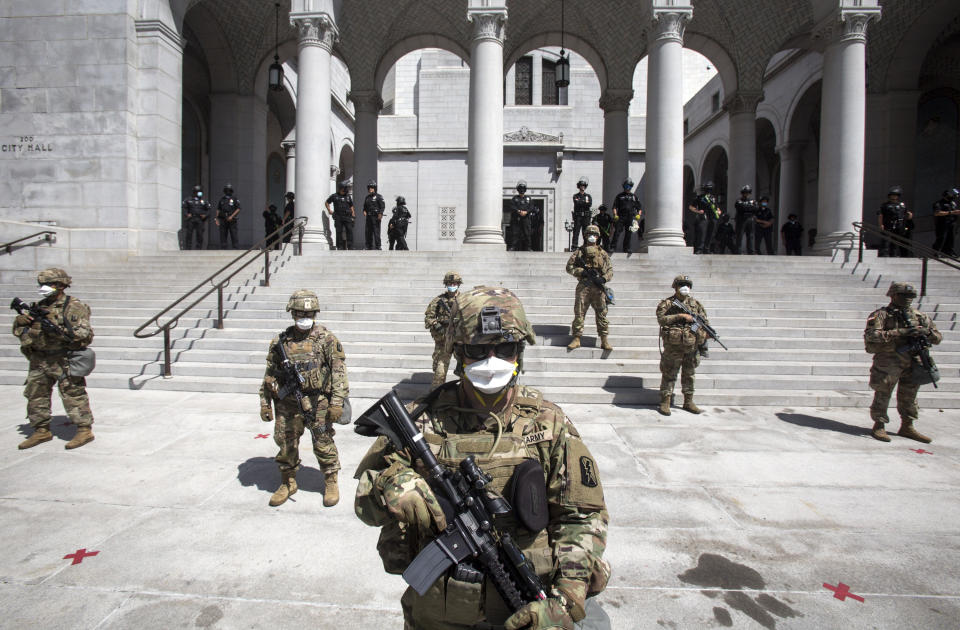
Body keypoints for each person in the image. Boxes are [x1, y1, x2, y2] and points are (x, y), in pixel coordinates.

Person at [354, 285, 610, 630]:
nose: (492, 361)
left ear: (520, 352)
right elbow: (366, 501)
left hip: (526, 607)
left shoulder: (548, 422)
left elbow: (582, 517)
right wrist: (393, 484)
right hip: (439, 610)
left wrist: (564, 602)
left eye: (504, 348)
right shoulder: (422, 420)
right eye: (477, 349)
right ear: (459, 353)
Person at [259, 290, 349, 507]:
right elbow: (269, 375)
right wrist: (265, 403)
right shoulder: (280, 342)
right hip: (287, 404)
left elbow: (339, 372)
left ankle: (330, 480)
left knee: (323, 441)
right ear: (293, 314)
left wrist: (337, 402)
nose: (304, 316)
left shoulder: (327, 339)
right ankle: (287, 481)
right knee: (285, 443)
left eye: (309, 313)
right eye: (300, 313)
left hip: (317, 402)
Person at [13, 268, 96, 450]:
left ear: (60, 286)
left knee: (73, 394)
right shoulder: (39, 307)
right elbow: (22, 333)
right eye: (41, 284)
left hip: (63, 358)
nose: (43, 288)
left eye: (47, 284)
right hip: (40, 359)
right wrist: (21, 323)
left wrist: (58, 329)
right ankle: (41, 430)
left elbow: (85, 334)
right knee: (36, 395)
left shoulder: (74, 306)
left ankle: (84, 429)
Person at [865, 282, 942, 443]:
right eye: (903, 295)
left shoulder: (919, 316)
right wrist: (901, 332)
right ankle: (879, 424)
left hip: (914, 361)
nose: (908, 299)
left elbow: (937, 337)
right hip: (889, 360)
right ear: (893, 295)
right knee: (883, 392)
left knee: (909, 395)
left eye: (911, 296)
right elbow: (872, 335)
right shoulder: (881, 315)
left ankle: (908, 425)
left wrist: (925, 332)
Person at [656, 275, 710, 416]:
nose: (685, 287)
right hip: (673, 346)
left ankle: (688, 401)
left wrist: (706, 333)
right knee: (669, 374)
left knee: (689, 375)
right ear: (675, 286)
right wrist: (680, 316)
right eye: (681, 284)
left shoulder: (696, 304)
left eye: (687, 285)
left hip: (691, 346)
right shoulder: (667, 303)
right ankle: (665, 402)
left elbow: (704, 321)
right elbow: (662, 319)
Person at [566, 225, 613, 352]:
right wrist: (582, 272)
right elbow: (569, 267)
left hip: (598, 288)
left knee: (602, 314)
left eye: (595, 235)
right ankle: (576, 338)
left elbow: (609, 270)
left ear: (598, 237)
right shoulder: (579, 252)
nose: (592, 237)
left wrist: (603, 279)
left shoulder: (603, 253)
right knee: (579, 313)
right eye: (589, 234)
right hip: (584, 286)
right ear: (585, 236)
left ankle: (604, 339)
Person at [424, 271, 461, 388]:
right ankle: (436, 394)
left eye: (454, 283)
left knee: (466, 367)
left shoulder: (464, 300)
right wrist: (438, 327)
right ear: (446, 284)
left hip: (460, 339)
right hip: (443, 340)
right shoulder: (438, 301)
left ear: (459, 284)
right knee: (440, 369)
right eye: (450, 283)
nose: (452, 285)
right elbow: (429, 317)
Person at [877, 186, 912, 258]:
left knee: (896, 240)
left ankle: (894, 254)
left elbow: (907, 214)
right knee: (886, 240)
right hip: (888, 224)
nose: (894, 197)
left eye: (895, 195)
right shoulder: (885, 205)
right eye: (892, 195)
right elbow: (880, 215)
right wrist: (881, 224)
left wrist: (909, 216)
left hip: (899, 225)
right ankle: (884, 254)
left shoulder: (902, 205)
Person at [687, 182, 720, 254]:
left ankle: (707, 249)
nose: (708, 191)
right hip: (703, 216)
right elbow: (691, 207)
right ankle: (700, 248)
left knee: (710, 233)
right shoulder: (700, 197)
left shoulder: (713, 198)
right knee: (702, 233)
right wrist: (698, 211)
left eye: (710, 189)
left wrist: (718, 211)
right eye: (707, 189)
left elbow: (716, 207)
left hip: (712, 217)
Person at [611, 178, 642, 254]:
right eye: (626, 186)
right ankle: (612, 247)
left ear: (631, 187)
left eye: (629, 186)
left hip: (630, 217)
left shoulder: (634, 197)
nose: (628, 187)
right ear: (624, 186)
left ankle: (627, 248)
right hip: (621, 216)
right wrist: (615, 214)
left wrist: (639, 215)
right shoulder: (619, 196)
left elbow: (639, 208)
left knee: (629, 233)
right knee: (617, 232)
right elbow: (614, 207)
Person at [326, 182, 356, 250]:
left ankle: (350, 246)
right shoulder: (334, 196)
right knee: (339, 231)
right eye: (344, 188)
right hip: (338, 216)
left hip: (347, 216)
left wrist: (353, 214)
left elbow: (351, 206)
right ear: (340, 188)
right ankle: (340, 246)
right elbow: (327, 202)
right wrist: (329, 210)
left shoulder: (348, 196)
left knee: (349, 230)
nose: (345, 190)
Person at [182, 184, 211, 250]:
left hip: (200, 219)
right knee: (189, 234)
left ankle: (198, 248)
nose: (200, 193)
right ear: (195, 192)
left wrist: (205, 215)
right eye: (198, 191)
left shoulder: (204, 201)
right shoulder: (188, 200)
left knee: (200, 234)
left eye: (200, 191)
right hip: (191, 219)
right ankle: (188, 248)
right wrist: (186, 214)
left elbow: (209, 210)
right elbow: (184, 208)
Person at [932, 188, 959, 256]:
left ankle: (949, 252)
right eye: (953, 196)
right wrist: (952, 212)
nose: (953, 198)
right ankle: (937, 252)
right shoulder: (939, 203)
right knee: (941, 238)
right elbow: (937, 213)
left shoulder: (953, 204)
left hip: (951, 223)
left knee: (951, 238)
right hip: (942, 224)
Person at [511, 180, 536, 251]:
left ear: (525, 190)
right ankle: (513, 246)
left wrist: (526, 212)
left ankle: (528, 247)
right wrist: (518, 211)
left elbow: (531, 207)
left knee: (527, 233)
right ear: (518, 190)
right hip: (517, 219)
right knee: (515, 233)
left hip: (526, 219)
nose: (521, 190)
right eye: (520, 189)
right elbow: (512, 206)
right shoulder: (515, 198)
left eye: (523, 189)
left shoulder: (528, 198)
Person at [215, 183, 241, 249]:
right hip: (223, 219)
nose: (228, 192)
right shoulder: (222, 199)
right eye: (226, 190)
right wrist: (217, 218)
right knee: (223, 234)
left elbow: (238, 209)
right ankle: (223, 248)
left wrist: (231, 216)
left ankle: (235, 248)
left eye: (229, 190)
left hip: (232, 219)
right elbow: (218, 209)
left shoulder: (234, 199)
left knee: (233, 234)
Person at [733, 185, 757, 254]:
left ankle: (751, 251)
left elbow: (756, 208)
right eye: (745, 192)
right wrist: (749, 208)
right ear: (742, 193)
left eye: (748, 192)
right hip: (741, 219)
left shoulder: (753, 201)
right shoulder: (739, 201)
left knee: (750, 235)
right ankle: (738, 250)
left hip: (750, 219)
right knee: (739, 235)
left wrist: (747, 208)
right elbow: (741, 208)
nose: (746, 194)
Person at [363, 180, 386, 250]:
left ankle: (378, 246)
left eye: (372, 188)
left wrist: (380, 213)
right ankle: (368, 246)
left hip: (376, 217)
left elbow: (382, 206)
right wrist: (364, 211)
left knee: (376, 232)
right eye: (369, 188)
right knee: (368, 232)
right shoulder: (367, 198)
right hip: (369, 217)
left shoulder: (379, 197)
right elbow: (364, 207)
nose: (370, 189)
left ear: (374, 189)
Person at [571, 177, 593, 249]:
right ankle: (574, 246)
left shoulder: (588, 196)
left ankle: (586, 245)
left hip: (586, 217)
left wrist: (581, 202)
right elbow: (577, 203)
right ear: (579, 186)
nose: (582, 187)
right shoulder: (576, 196)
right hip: (578, 216)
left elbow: (589, 204)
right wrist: (584, 203)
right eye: (581, 185)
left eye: (584, 186)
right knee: (576, 232)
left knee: (586, 232)